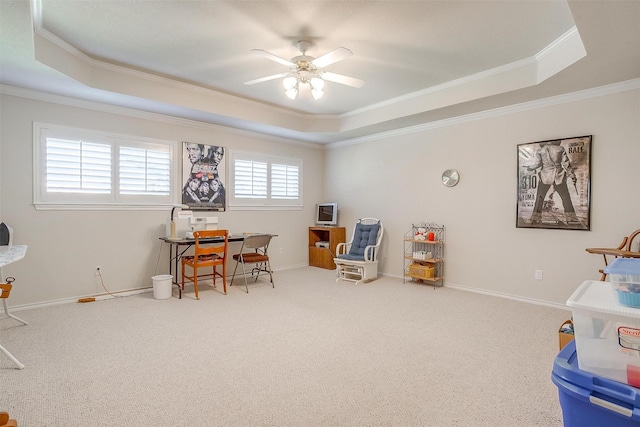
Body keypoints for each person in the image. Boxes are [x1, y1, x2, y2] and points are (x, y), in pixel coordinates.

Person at [528, 141, 578, 224]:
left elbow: (537, 164)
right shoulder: (560, 149)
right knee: (566, 198)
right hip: (558, 176)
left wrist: (529, 167)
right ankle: (572, 219)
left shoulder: (540, 151)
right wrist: (572, 176)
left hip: (545, 176)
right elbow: (566, 164)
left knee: (539, 198)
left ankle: (535, 219)